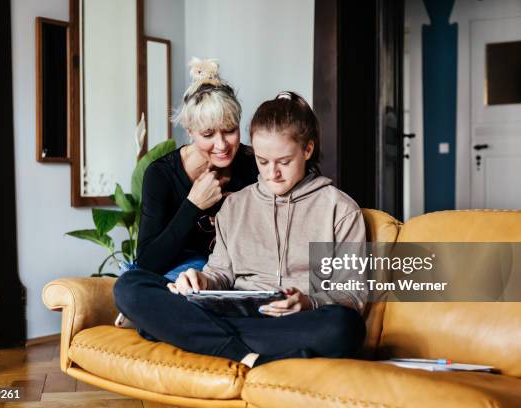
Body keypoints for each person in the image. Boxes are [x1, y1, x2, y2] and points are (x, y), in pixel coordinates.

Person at [115, 91, 367, 367]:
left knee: (345, 328)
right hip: (235, 314)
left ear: (307, 150)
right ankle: (247, 355)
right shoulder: (235, 204)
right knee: (130, 286)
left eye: (284, 162)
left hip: (294, 321)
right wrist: (201, 281)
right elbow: (220, 273)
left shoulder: (339, 209)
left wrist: (308, 302)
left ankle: (192, 336)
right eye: (262, 161)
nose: (272, 174)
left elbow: (352, 296)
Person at [134, 57, 258, 281]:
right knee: (130, 284)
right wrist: (194, 205)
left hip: (233, 276)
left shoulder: (255, 164)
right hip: (177, 277)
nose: (221, 145)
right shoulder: (161, 175)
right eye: (208, 135)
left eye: (230, 130)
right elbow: (146, 262)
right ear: (190, 131)